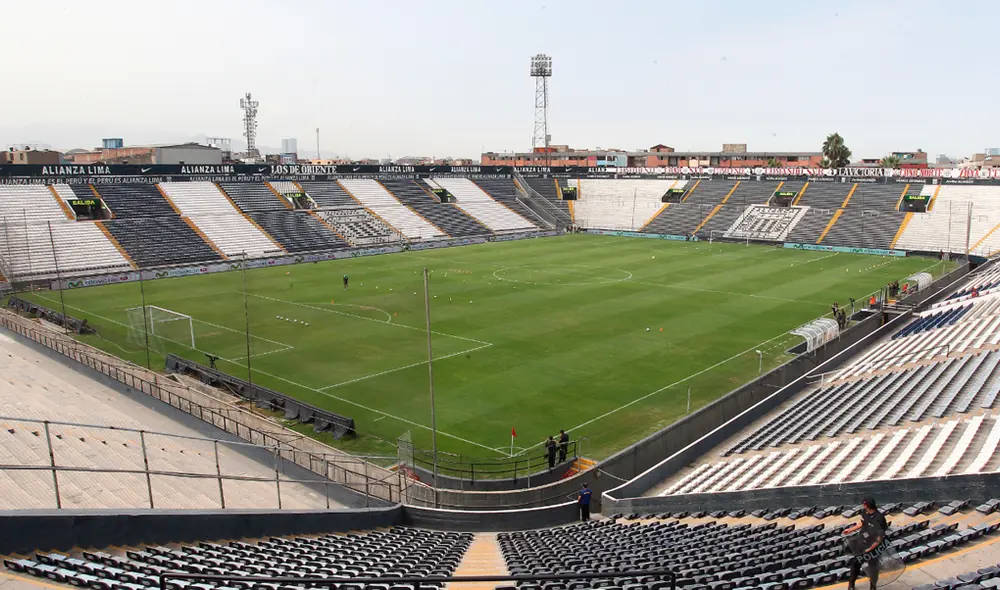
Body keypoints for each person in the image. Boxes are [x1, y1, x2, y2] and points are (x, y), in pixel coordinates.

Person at [842, 497, 888, 590]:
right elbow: (862, 523)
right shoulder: (865, 513)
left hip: (873, 547)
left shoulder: (879, 518)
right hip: (862, 542)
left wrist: (869, 549)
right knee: (855, 564)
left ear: (867, 505)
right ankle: (851, 584)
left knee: (873, 567)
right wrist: (850, 530)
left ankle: (873, 586)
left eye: (864, 504)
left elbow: (879, 538)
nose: (863, 505)